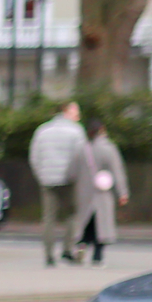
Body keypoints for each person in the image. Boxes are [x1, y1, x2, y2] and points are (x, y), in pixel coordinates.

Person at [29, 101, 89, 266]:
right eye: (76, 111)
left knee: (49, 217)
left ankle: (48, 255)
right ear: (66, 111)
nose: (78, 114)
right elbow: (81, 156)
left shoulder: (42, 130)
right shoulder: (77, 131)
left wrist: (41, 175)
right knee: (72, 214)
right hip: (69, 180)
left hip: (47, 179)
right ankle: (67, 250)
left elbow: (34, 156)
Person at [74, 119, 128, 265]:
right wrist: (122, 192)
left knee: (87, 222)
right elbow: (117, 171)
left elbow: (72, 171)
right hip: (103, 192)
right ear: (102, 130)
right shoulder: (109, 148)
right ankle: (98, 256)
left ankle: (82, 244)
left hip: (84, 191)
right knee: (101, 223)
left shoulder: (81, 149)